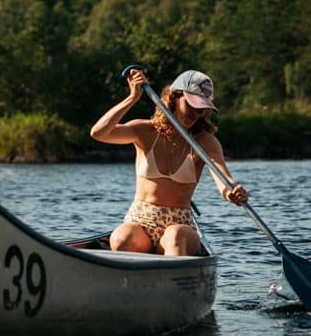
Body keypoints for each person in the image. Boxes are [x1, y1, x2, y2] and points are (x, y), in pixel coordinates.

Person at [90, 68, 248, 256]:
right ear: (175, 96)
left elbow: (224, 179)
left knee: (175, 236)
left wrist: (232, 193)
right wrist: (132, 98)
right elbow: (99, 133)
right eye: (192, 105)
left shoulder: (205, 142)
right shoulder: (145, 131)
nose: (196, 113)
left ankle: (170, 278)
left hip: (180, 225)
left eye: (202, 108)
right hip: (140, 221)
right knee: (121, 238)